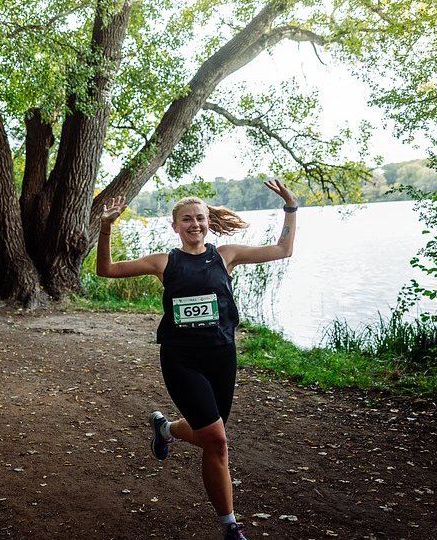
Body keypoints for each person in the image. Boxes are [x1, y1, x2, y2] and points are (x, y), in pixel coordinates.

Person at [96, 180, 297, 540]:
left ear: (208, 222)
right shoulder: (164, 262)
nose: (195, 224)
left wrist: (291, 207)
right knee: (218, 440)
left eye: (200, 218)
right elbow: (106, 270)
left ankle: (167, 429)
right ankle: (230, 527)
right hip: (181, 359)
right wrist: (107, 227)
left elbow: (283, 249)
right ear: (175, 226)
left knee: (209, 436)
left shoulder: (226, 256)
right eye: (186, 219)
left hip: (221, 357)